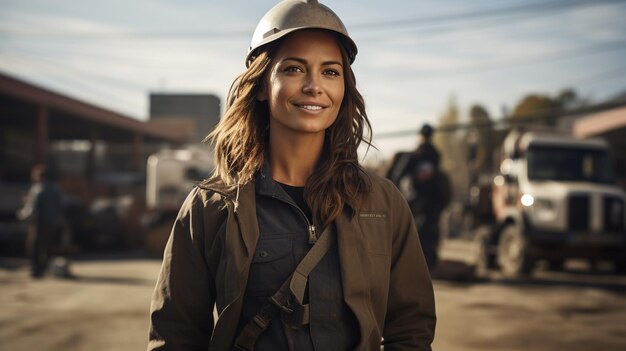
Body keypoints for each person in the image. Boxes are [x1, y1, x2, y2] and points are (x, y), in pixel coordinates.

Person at [148, 1, 436, 350]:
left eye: (330, 72)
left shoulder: (382, 203)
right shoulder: (210, 207)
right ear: (260, 85)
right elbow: (175, 335)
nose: (315, 86)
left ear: (344, 89)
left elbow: (411, 327)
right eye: (295, 69)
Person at [387, 124, 448, 270]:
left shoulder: (419, 155)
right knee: (424, 233)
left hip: (421, 202)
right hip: (423, 202)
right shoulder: (432, 154)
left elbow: (397, 176)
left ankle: (421, 264)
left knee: (422, 233)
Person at [17, 163, 66, 278]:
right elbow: (61, 207)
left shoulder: (37, 189)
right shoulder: (55, 189)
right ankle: (44, 268)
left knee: (33, 247)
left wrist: (21, 215)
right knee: (47, 247)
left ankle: (36, 270)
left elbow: (32, 210)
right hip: (52, 223)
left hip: (38, 223)